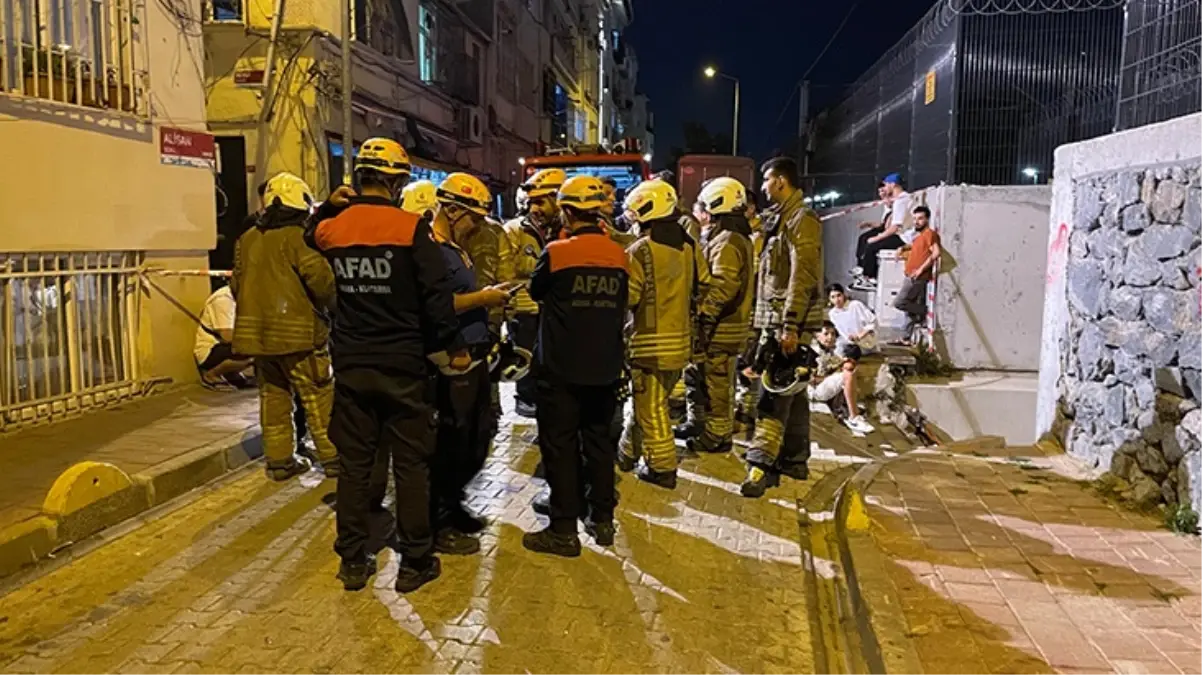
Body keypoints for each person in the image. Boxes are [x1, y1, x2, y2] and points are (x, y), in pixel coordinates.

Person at [309, 137, 471, 594]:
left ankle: (353, 561)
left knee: (356, 466)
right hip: (404, 365)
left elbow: (309, 232)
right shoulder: (410, 229)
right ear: (398, 181)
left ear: (359, 177)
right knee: (411, 466)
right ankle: (415, 562)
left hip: (353, 365)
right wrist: (453, 346)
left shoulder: (334, 229)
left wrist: (328, 204)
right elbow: (435, 300)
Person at [524, 175, 629, 556]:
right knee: (600, 446)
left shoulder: (556, 252)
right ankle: (603, 521)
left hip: (561, 371)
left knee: (561, 448)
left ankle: (563, 529)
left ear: (567, 212)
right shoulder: (620, 255)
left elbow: (536, 291)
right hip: (605, 369)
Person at [231, 172, 337, 482]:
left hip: (258, 339)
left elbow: (237, 284)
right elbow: (322, 282)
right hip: (300, 336)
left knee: (274, 399)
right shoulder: (299, 238)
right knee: (318, 397)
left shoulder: (247, 239)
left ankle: (279, 462)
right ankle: (334, 459)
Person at [428, 173, 512, 554]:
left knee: (474, 438)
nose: (478, 226)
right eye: (474, 218)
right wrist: (483, 299)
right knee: (449, 441)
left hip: (474, 357)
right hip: (452, 359)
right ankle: (438, 520)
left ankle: (454, 504)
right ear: (452, 210)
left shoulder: (457, 247)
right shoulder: (432, 250)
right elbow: (437, 306)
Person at [743, 156, 822, 498]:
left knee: (771, 394)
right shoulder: (782, 220)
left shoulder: (802, 221)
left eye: (766, 180)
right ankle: (794, 460)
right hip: (778, 320)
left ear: (780, 181)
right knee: (794, 390)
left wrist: (789, 325)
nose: (762, 188)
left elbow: (801, 276)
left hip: (785, 322)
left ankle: (759, 467)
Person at [614, 179, 700, 489]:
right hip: (680, 343)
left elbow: (630, 298)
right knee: (647, 405)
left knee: (650, 409)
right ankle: (626, 454)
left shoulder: (640, 250)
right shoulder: (687, 246)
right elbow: (699, 287)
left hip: (649, 344)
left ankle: (662, 468)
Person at [686, 177, 756, 456]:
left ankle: (716, 436)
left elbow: (723, 285)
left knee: (717, 382)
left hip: (721, 328)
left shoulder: (727, 240)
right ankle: (709, 428)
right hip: (729, 326)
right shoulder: (736, 236)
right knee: (713, 380)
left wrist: (704, 316)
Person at [502, 168, 565, 418]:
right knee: (525, 357)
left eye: (540, 201)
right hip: (525, 309)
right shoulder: (515, 230)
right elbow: (505, 274)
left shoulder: (567, 232)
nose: (534, 209)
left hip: (554, 310)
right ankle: (526, 399)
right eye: (530, 203)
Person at [809, 322, 874, 434]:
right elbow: (811, 379)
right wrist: (833, 374)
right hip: (814, 390)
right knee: (847, 374)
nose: (830, 337)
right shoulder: (813, 352)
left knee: (849, 369)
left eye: (833, 334)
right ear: (817, 335)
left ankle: (845, 409)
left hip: (822, 387)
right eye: (826, 334)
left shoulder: (829, 351)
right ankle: (854, 417)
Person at [851, 173, 911, 291]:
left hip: (904, 237)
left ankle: (870, 278)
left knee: (872, 244)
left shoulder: (900, 200)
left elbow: (894, 227)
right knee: (866, 239)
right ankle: (863, 270)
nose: (885, 188)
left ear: (892, 184)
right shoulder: (900, 199)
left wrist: (877, 238)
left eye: (886, 185)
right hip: (901, 234)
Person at [892, 205, 941, 347]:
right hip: (910, 275)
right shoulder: (920, 236)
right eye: (915, 219)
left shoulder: (930, 234)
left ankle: (924, 311)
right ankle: (905, 337)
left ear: (927, 219)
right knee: (908, 309)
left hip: (916, 277)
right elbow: (916, 248)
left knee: (900, 303)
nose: (916, 222)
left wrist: (920, 270)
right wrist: (902, 248)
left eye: (920, 218)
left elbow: (936, 253)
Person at [194, 284, 252, 388]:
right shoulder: (223, 299)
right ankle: (211, 375)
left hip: (223, 346)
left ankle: (231, 373)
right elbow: (227, 336)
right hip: (210, 351)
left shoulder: (240, 297)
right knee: (256, 351)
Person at [826, 283, 878, 353]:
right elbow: (841, 332)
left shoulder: (855, 305)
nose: (837, 300)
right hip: (849, 344)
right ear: (829, 299)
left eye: (839, 295)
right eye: (833, 297)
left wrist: (860, 335)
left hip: (866, 342)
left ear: (843, 295)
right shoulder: (832, 314)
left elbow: (873, 322)